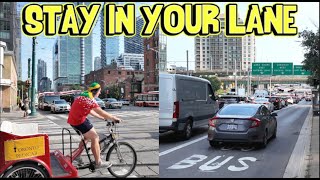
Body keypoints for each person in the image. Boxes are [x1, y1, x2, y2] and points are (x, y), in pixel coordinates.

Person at [67, 82, 122, 169]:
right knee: (95, 137)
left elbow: (91, 111)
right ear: (95, 91)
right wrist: (113, 118)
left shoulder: (85, 95)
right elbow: (100, 111)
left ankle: (77, 155)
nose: (100, 93)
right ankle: (98, 162)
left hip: (76, 119)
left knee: (87, 137)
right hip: (78, 121)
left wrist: (102, 118)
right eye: (99, 91)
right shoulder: (89, 99)